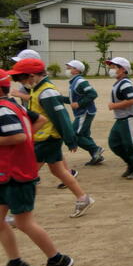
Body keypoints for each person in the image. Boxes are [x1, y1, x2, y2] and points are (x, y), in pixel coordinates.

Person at [0, 69, 75, 266]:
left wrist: (23, 143)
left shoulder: (3, 109)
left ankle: (57, 259)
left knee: (23, 222)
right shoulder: (13, 105)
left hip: (15, 174)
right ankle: (16, 263)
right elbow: (39, 119)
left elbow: (18, 136)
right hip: (7, 173)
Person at [8, 58, 95, 218]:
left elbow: (61, 116)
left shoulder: (46, 91)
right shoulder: (38, 89)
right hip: (45, 138)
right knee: (58, 170)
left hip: (47, 139)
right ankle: (83, 198)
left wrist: (70, 139)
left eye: (21, 78)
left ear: (32, 75)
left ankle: (18, 213)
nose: (20, 82)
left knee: (27, 173)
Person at [106, 57, 133, 179]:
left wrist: (114, 106)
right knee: (114, 143)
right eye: (111, 67)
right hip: (122, 118)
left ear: (122, 69)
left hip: (131, 118)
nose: (111, 69)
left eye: (114, 67)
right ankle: (132, 164)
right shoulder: (119, 82)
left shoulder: (125, 83)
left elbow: (132, 100)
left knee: (130, 144)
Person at [63, 60, 105, 166]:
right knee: (84, 135)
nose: (67, 70)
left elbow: (93, 94)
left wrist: (79, 104)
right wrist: (59, 98)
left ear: (77, 70)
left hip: (85, 112)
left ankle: (96, 149)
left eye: (69, 68)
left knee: (74, 134)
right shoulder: (74, 82)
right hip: (82, 112)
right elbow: (73, 100)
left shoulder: (80, 81)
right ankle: (96, 156)